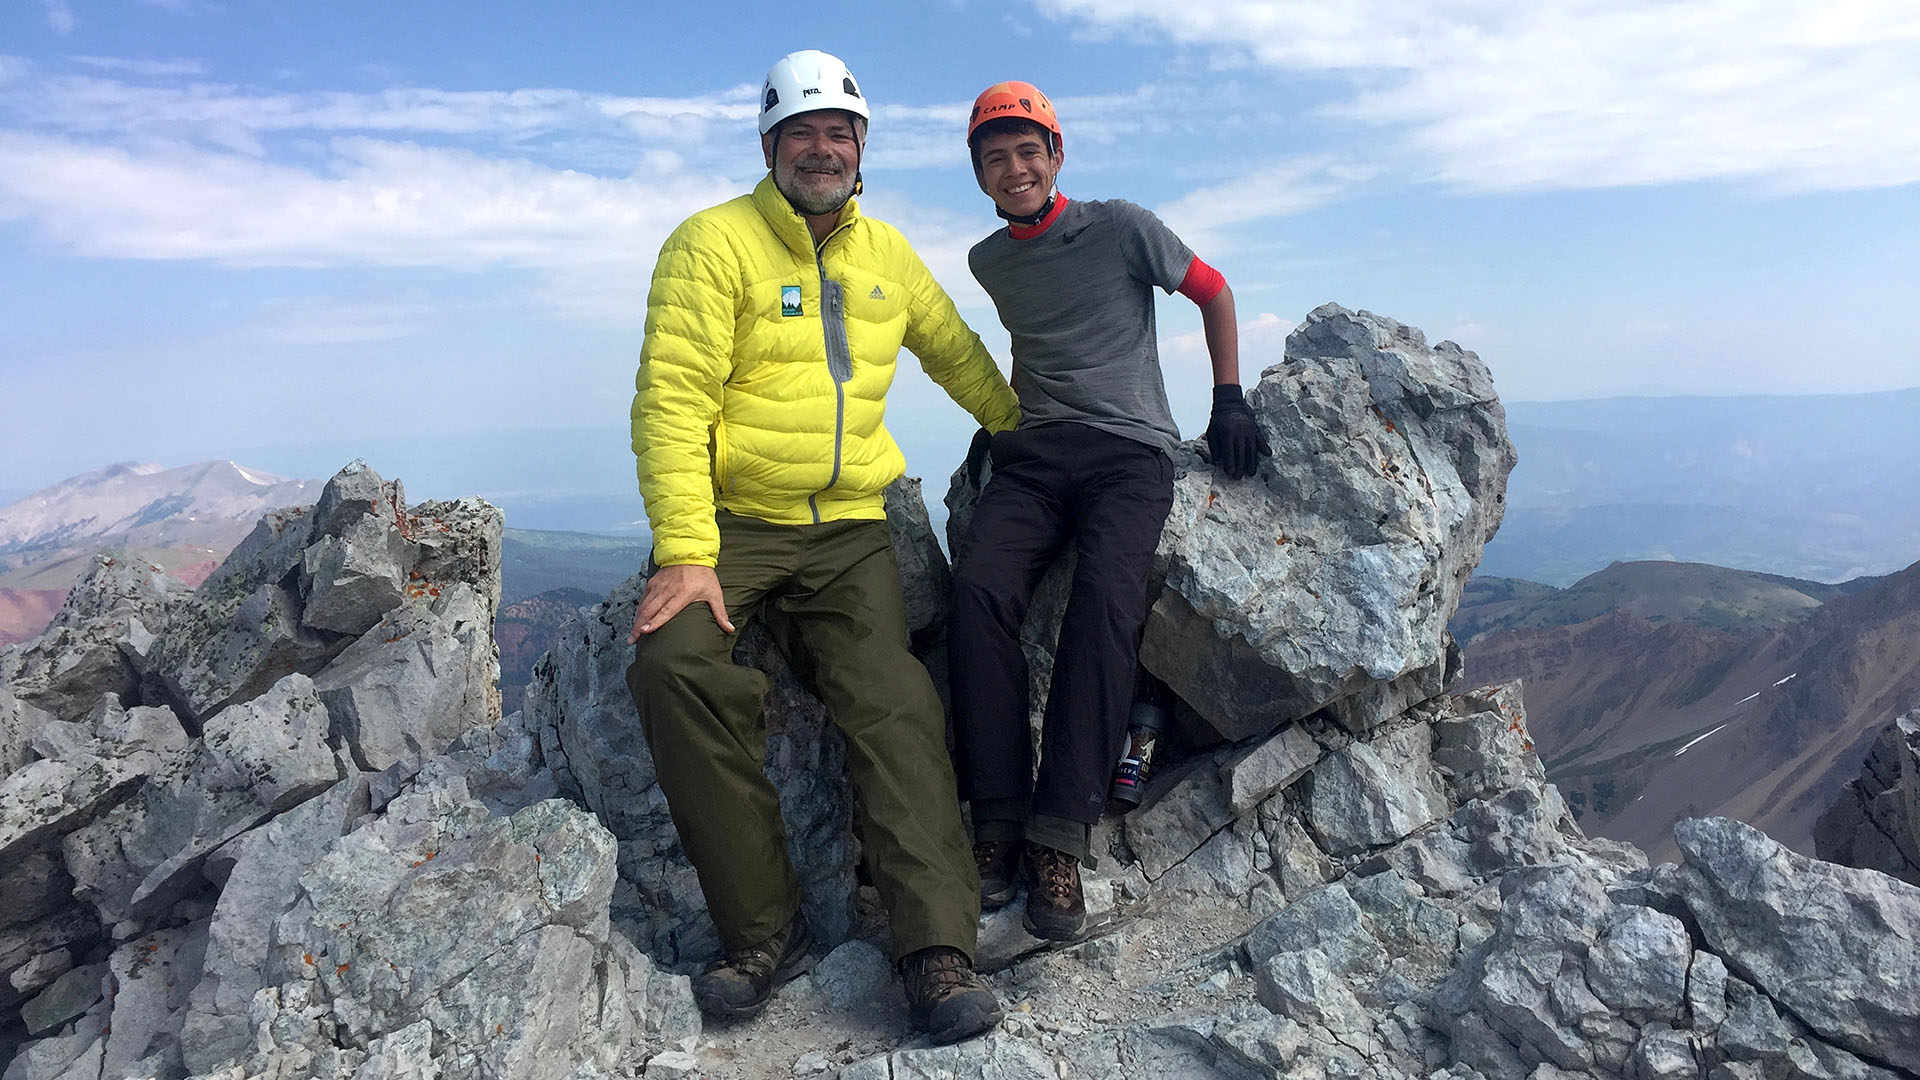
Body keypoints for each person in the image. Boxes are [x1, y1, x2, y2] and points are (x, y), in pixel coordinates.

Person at [624, 50, 1017, 1044]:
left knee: (894, 703)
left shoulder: (887, 255)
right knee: (673, 666)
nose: (821, 148)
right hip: (733, 523)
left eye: (838, 132)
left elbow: (960, 357)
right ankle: (764, 932)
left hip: (849, 527)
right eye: (799, 132)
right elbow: (671, 402)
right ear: (769, 147)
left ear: (861, 147)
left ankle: (937, 950)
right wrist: (687, 551)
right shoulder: (711, 244)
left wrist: (1035, 435)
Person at [947, 80, 1269, 941]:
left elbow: (1214, 290)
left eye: (1028, 151)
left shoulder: (1122, 226)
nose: (1014, 168)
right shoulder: (989, 261)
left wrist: (1228, 398)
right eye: (994, 157)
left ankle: (1059, 836)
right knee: (977, 594)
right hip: (1036, 455)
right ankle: (997, 820)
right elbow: (1030, 343)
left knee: (1105, 599)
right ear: (978, 173)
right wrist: (1004, 420)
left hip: (1131, 453)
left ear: (1057, 155)